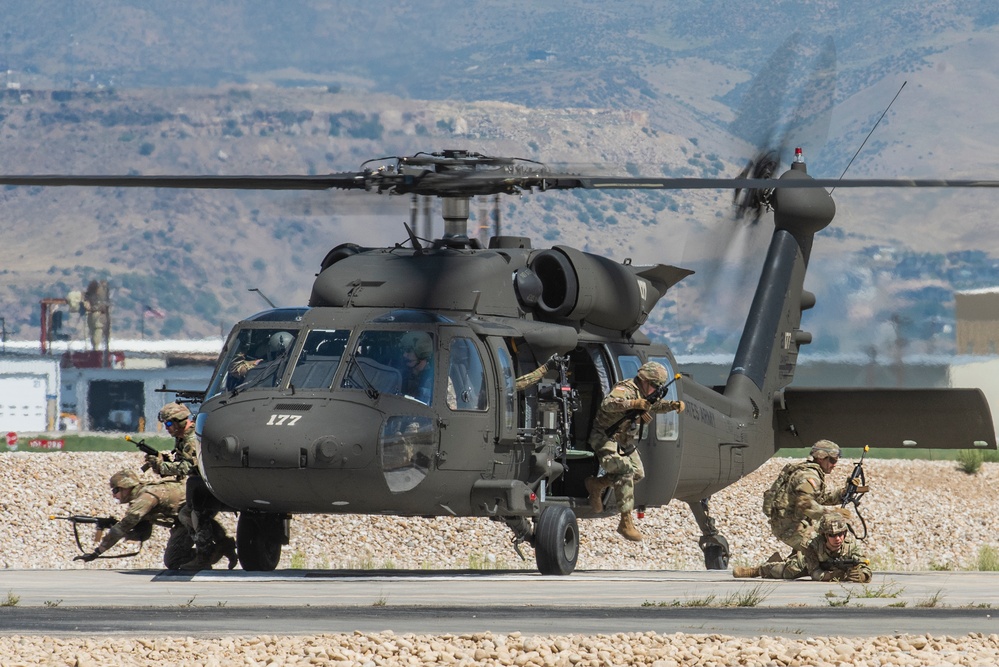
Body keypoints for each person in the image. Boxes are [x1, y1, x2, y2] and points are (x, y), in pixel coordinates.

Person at [583, 361, 685, 541]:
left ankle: (597, 485)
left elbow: (653, 405)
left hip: (622, 439)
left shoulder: (645, 393)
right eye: (654, 385)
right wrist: (634, 403)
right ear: (644, 380)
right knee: (625, 471)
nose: (655, 389)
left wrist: (673, 405)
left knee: (637, 474)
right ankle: (625, 523)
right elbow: (608, 404)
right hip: (604, 437)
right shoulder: (626, 389)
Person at [146, 402, 237, 570]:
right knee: (186, 514)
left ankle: (205, 556)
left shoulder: (192, 438)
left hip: (209, 487)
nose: (166, 428)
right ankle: (223, 544)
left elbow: (190, 466)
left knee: (192, 516)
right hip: (201, 486)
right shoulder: (182, 439)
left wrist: (162, 467)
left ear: (179, 421)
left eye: (168, 424)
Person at [73, 469, 194, 570]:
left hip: (196, 518)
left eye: (115, 490)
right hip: (187, 521)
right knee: (173, 560)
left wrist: (96, 552)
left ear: (126, 487)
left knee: (174, 560)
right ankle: (206, 554)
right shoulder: (142, 496)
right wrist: (115, 526)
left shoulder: (145, 498)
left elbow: (122, 528)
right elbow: (144, 534)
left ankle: (207, 554)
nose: (114, 495)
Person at [733, 510, 872, 583]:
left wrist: (862, 576)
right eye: (832, 535)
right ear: (824, 536)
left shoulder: (851, 546)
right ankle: (758, 570)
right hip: (810, 564)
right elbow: (815, 574)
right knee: (788, 571)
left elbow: (865, 566)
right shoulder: (813, 544)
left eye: (841, 534)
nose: (838, 538)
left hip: (831, 569)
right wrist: (834, 575)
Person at [763, 439, 848, 551]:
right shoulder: (809, 476)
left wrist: (842, 494)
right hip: (791, 528)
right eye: (832, 460)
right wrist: (832, 516)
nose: (835, 465)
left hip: (791, 525)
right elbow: (806, 504)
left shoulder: (809, 471)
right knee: (826, 549)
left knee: (806, 559)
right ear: (821, 458)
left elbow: (818, 498)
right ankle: (765, 570)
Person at [400, 332, 434, 404]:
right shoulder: (402, 373)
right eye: (404, 350)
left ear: (422, 353)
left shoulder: (432, 381)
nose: (405, 355)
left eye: (408, 351)